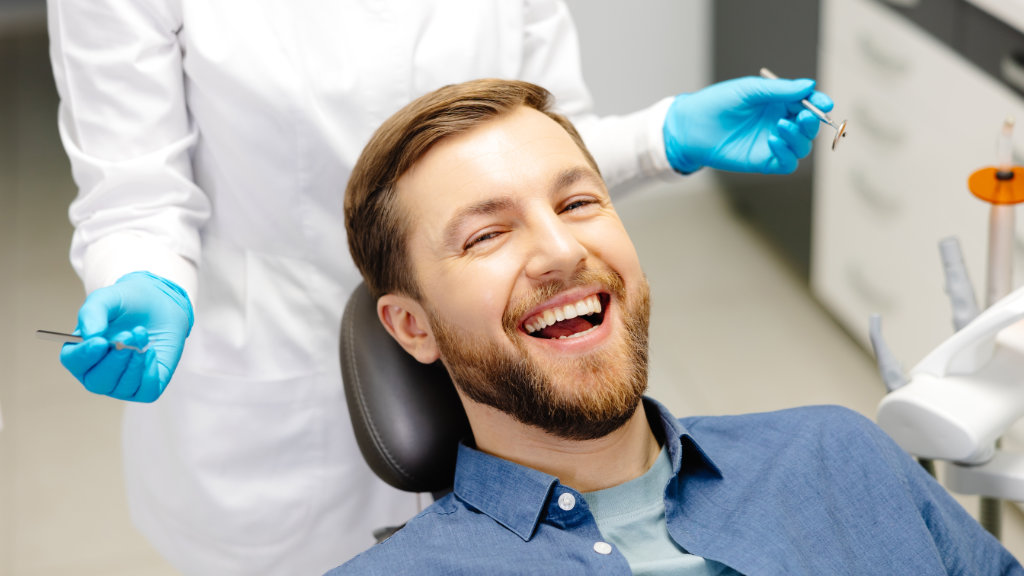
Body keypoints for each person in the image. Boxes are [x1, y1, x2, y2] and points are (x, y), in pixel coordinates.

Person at [47, 1, 833, 573]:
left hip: (492, 373)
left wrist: (661, 136)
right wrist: (143, 274)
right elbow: (136, 188)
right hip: (276, 380)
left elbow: (531, 148)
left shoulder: (823, 457)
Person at [328, 78, 1022, 575]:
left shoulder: (838, 455)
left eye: (577, 202)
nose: (565, 251)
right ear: (412, 327)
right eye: (486, 236)